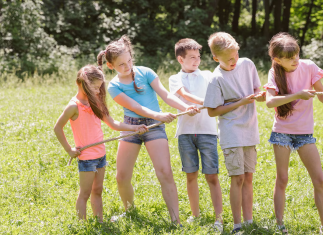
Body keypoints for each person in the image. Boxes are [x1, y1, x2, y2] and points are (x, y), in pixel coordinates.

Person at [97, 35, 199, 224]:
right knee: (121, 177)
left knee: (164, 172)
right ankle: (130, 211)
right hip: (131, 127)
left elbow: (166, 95)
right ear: (111, 66)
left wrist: (185, 108)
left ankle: (175, 220)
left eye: (129, 61)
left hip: (154, 127)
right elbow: (136, 107)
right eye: (121, 65)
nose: (127, 66)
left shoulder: (145, 72)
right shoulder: (114, 86)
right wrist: (159, 115)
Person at [264, 32, 323, 234]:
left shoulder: (309, 66)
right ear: (277, 59)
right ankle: (279, 225)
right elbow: (269, 102)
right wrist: (297, 95)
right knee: (283, 178)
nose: (295, 60)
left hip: (304, 133)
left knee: (320, 179)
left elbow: (322, 97)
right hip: (282, 132)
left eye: (296, 55)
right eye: (289, 58)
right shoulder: (274, 73)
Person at [54, 65, 148, 222]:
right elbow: (57, 128)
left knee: (97, 190)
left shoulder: (95, 103)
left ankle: (100, 222)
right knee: (85, 193)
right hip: (87, 157)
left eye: (99, 87)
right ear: (81, 83)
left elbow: (113, 124)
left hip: (100, 155)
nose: (98, 91)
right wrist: (69, 149)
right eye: (95, 87)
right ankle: (82, 225)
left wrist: (135, 127)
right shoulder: (73, 106)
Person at [203, 32, 265, 234]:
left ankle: (249, 222)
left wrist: (261, 96)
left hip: (250, 129)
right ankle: (237, 225)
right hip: (231, 133)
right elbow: (212, 111)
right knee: (237, 178)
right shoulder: (216, 79)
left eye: (236, 55)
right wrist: (240, 102)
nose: (234, 61)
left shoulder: (247, 64)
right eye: (229, 59)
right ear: (215, 58)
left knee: (248, 177)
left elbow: (257, 91)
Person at [168, 38, 223, 232]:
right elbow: (182, 94)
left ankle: (219, 218)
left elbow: (219, 92)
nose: (196, 60)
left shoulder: (208, 75)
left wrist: (208, 103)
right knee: (191, 175)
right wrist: (203, 102)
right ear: (180, 59)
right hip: (185, 134)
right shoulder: (175, 78)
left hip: (207, 132)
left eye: (198, 57)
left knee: (212, 176)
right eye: (192, 57)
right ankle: (195, 214)